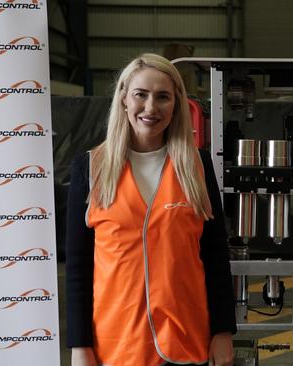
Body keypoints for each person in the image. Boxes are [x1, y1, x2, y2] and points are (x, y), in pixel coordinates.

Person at [65, 53, 236, 366]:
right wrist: (79, 346)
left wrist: (223, 331)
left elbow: (215, 257)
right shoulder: (90, 169)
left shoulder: (197, 166)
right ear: (124, 100)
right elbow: (78, 268)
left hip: (186, 340)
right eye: (140, 95)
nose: (150, 108)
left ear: (176, 104)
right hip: (117, 345)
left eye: (163, 97)